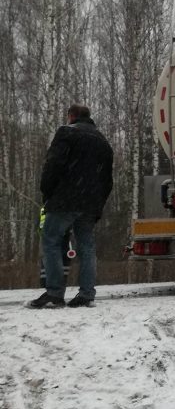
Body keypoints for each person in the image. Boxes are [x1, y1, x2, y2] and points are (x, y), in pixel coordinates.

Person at [29, 104, 113, 309]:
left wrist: (47, 192)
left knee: (51, 239)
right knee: (86, 245)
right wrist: (98, 203)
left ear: (71, 116)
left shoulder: (66, 133)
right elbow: (107, 179)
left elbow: (53, 164)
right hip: (91, 202)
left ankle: (55, 293)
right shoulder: (103, 141)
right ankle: (86, 294)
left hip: (66, 199)